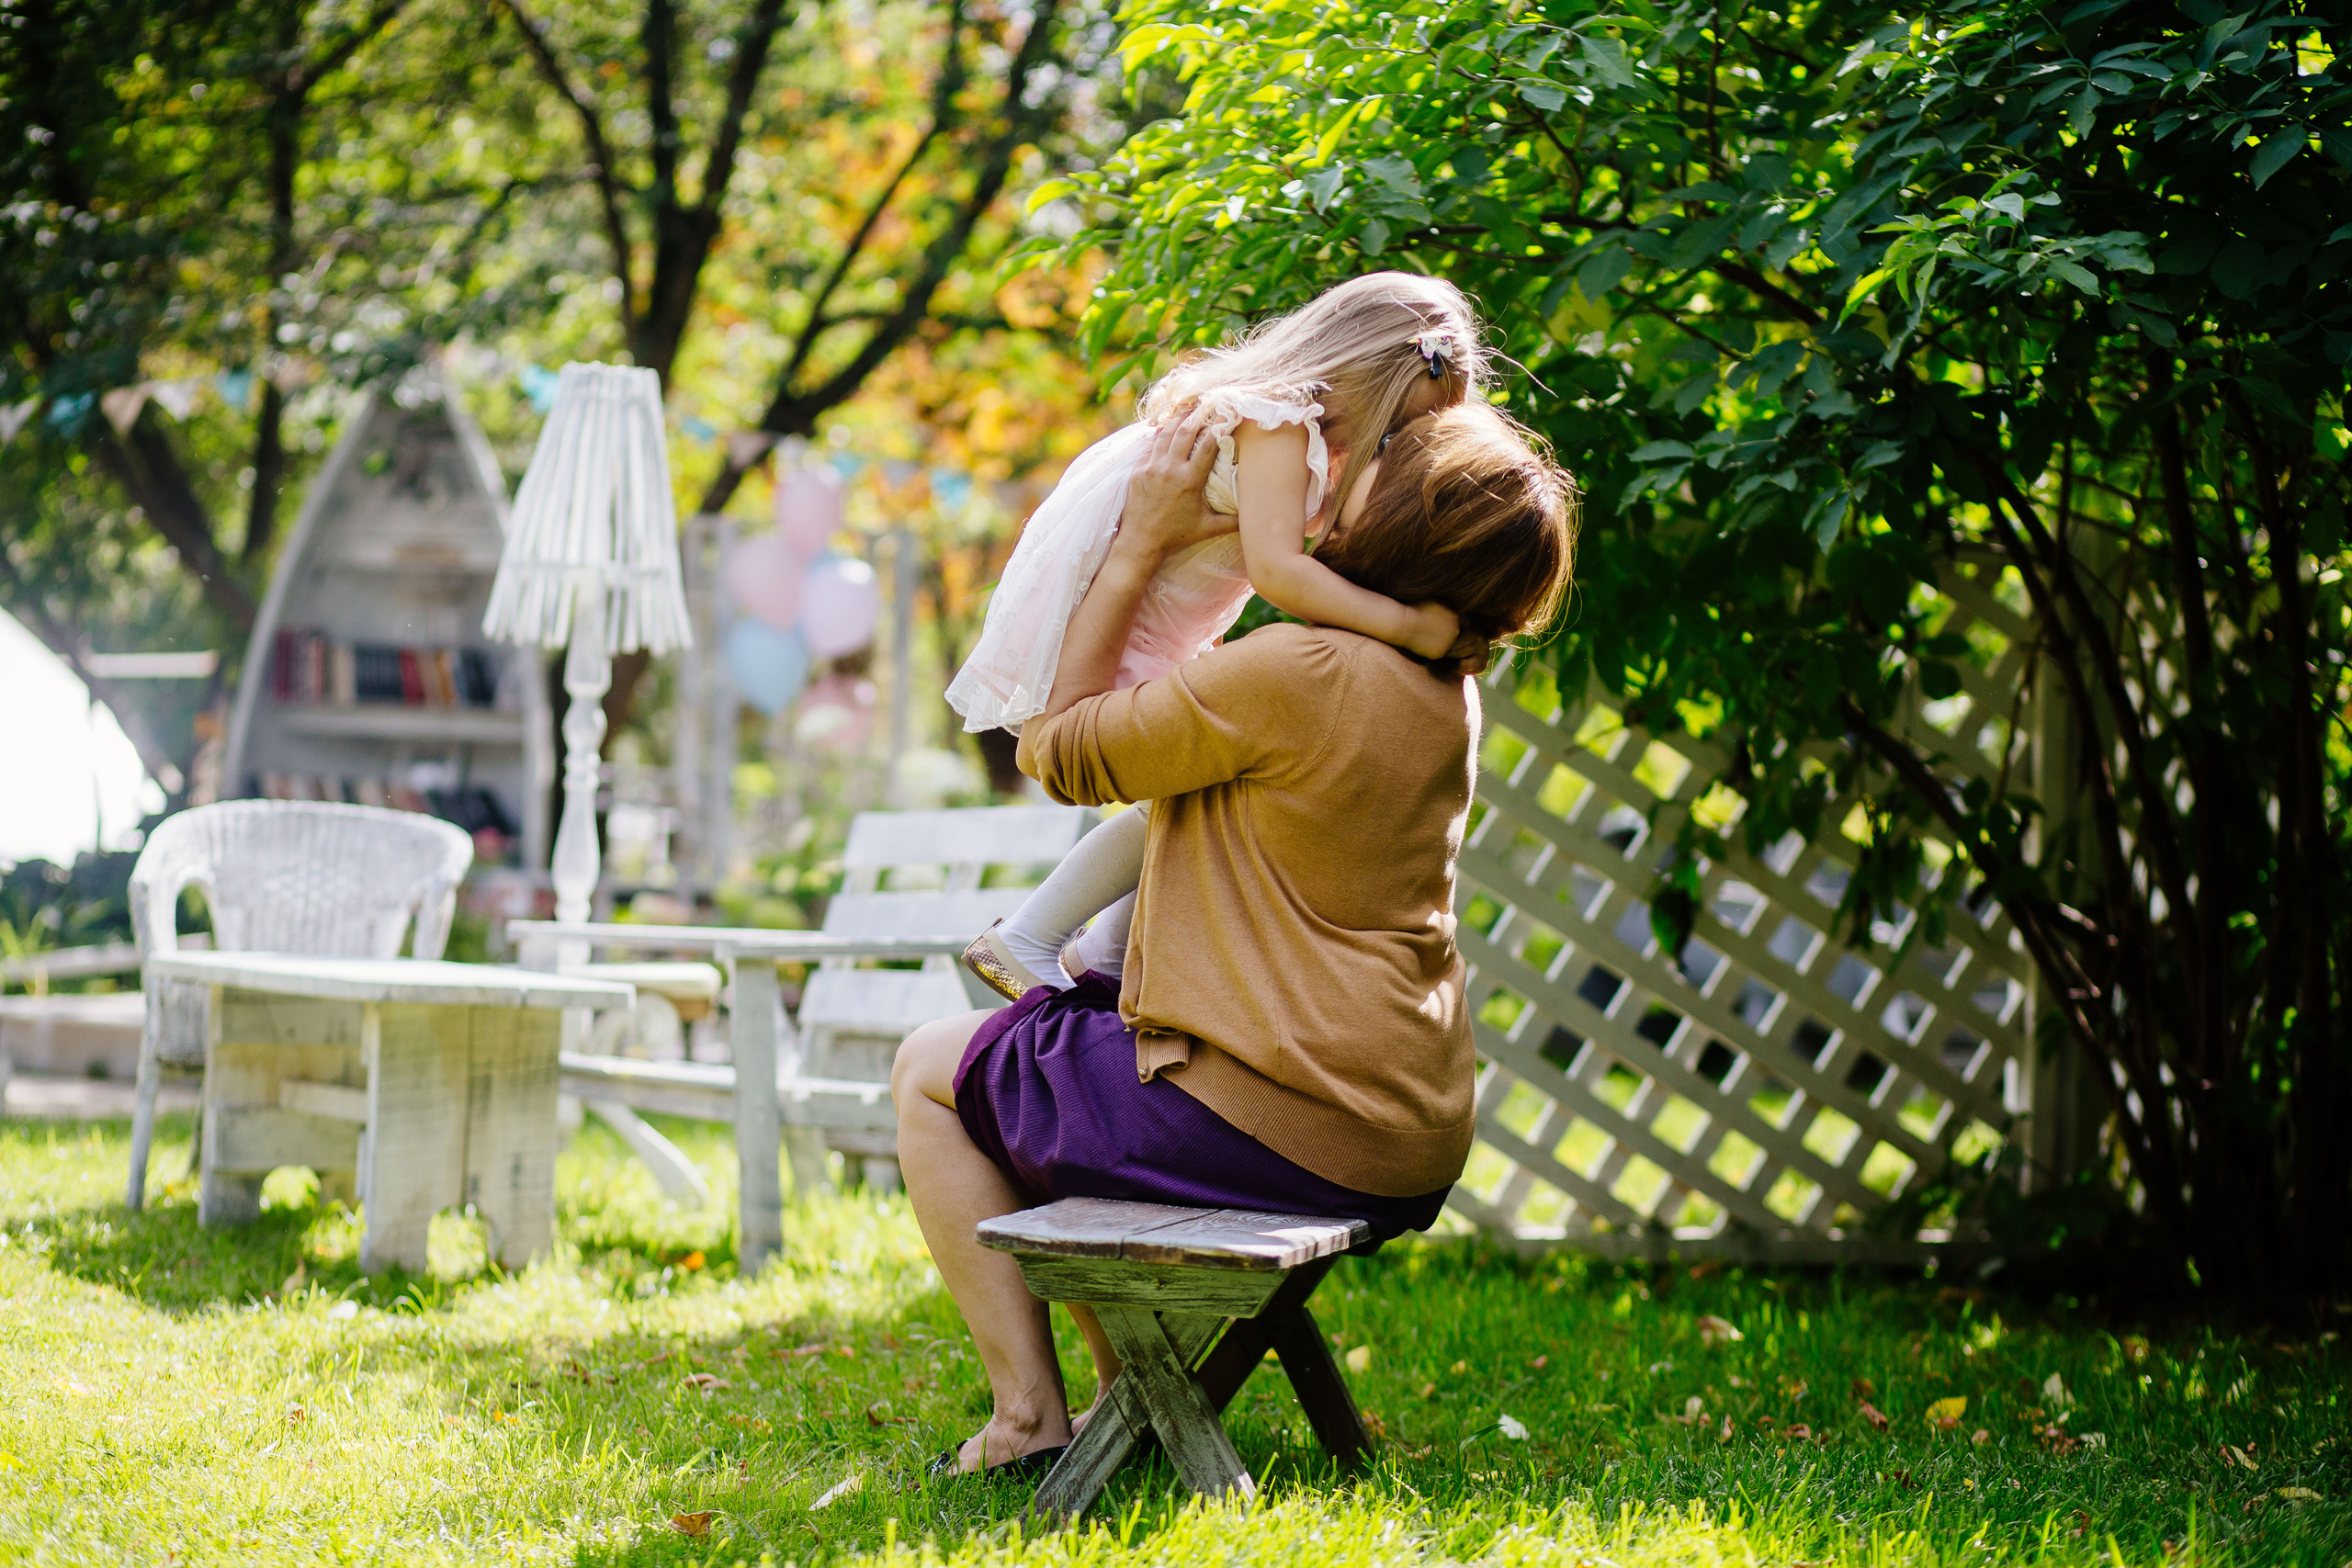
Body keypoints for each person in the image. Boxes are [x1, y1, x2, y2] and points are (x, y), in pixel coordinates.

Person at [892, 399, 1578, 1478]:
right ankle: (1135, 1396)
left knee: (935, 1068)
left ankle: (1029, 1417)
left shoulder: (1303, 670)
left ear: (1392, 522)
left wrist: (1145, 543)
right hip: (1401, 1124)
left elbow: (1058, 751)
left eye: (1372, 470)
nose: (1337, 476)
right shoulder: (1442, 686)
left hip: (1280, 1114)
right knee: (1054, 1070)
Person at [948, 274, 1494, 998]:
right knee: (1177, 784)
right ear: (1365, 373)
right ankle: (1029, 935)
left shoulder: (1291, 433)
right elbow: (1278, 572)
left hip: (1162, 608)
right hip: (1138, 616)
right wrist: (1409, 625)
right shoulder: (1276, 421)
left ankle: (1103, 952)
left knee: (1197, 787)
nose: (1388, 446)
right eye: (1395, 424)